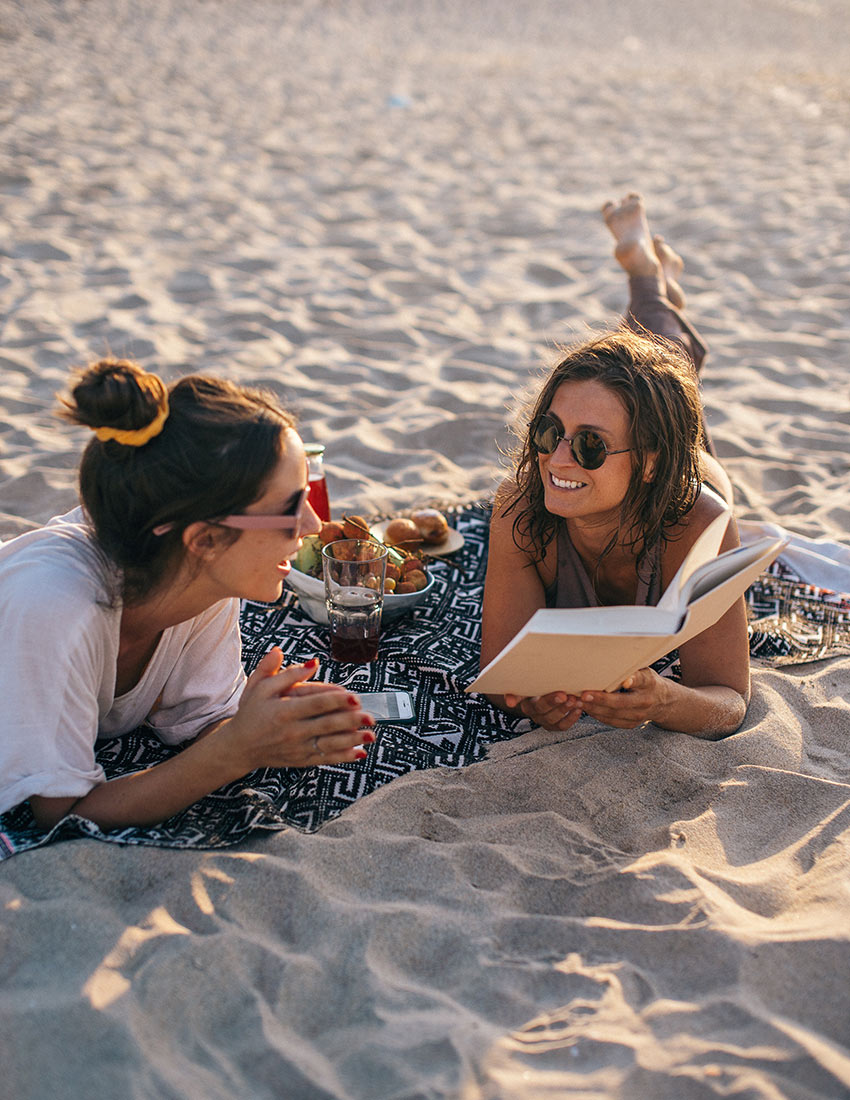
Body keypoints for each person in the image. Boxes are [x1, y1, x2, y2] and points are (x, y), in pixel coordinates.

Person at [0, 359, 374, 829]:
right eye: (290, 507)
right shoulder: (58, 607)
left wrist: (270, 727)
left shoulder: (198, 580)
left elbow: (206, 722)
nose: (314, 526)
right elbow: (60, 816)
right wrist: (236, 750)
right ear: (205, 540)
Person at [480, 193, 749, 739]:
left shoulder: (700, 527)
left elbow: (730, 700)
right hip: (650, 448)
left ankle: (648, 275)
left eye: (590, 447)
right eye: (550, 431)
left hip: (690, 467)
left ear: (647, 463)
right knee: (657, 367)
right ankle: (654, 278)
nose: (557, 459)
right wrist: (533, 704)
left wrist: (666, 700)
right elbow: (501, 678)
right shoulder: (521, 506)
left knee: (671, 368)